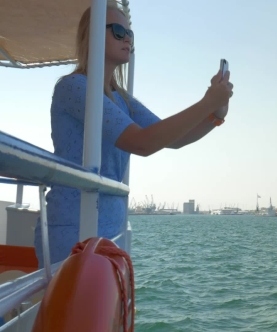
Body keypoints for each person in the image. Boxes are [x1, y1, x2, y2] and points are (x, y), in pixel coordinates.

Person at [33, 0, 233, 267]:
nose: (126, 38)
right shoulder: (74, 87)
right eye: (118, 31)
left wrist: (215, 115)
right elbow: (142, 143)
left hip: (108, 234)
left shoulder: (122, 99)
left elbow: (172, 139)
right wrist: (207, 103)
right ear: (91, 34)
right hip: (72, 232)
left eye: (130, 33)